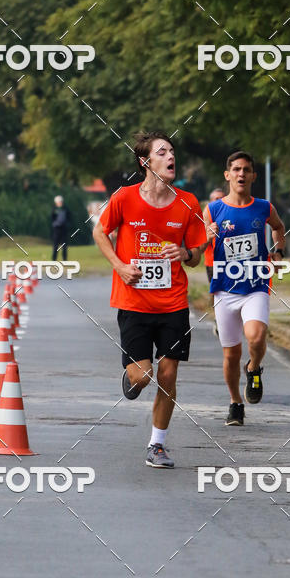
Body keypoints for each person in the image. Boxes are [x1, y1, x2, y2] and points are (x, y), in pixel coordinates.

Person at [93, 131, 207, 468]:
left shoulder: (188, 202)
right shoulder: (125, 198)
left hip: (173, 303)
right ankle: (133, 379)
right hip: (133, 303)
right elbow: (100, 231)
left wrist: (184, 251)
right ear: (146, 162)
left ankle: (157, 444)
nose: (171, 156)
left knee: (169, 375)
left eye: (172, 150)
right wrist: (119, 266)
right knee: (144, 376)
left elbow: (197, 254)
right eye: (162, 152)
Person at [203, 151, 286, 426]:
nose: (241, 174)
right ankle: (235, 402)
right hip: (225, 289)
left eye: (246, 170)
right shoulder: (214, 209)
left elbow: (278, 227)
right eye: (236, 169)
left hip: (256, 284)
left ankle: (253, 368)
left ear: (253, 176)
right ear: (227, 175)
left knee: (256, 335)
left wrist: (277, 252)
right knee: (230, 354)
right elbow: (200, 242)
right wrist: (207, 234)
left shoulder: (263, 207)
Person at [202, 187, 225, 336]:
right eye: (215, 199)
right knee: (216, 292)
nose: (218, 201)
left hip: (231, 261)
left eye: (221, 199)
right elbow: (199, 239)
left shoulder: (230, 213)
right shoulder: (206, 216)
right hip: (212, 261)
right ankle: (218, 318)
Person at [51, 195, 70, 260]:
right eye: (59, 202)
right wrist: (55, 224)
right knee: (55, 245)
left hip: (64, 229)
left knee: (64, 246)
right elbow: (52, 219)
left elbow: (69, 218)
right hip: (57, 229)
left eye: (61, 202)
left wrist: (67, 224)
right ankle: (54, 259)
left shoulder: (65, 209)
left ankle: (64, 259)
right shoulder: (54, 209)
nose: (60, 203)